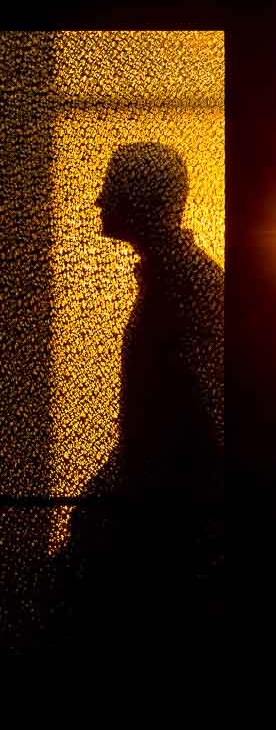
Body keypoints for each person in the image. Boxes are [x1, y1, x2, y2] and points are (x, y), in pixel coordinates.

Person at [50, 142, 223, 663]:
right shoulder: (181, 278)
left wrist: (133, 488)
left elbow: (198, 406)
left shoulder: (181, 285)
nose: (99, 202)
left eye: (113, 188)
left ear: (143, 199)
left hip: (170, 519)